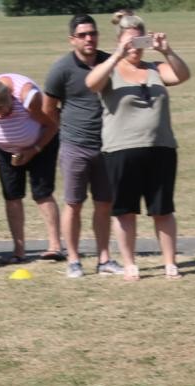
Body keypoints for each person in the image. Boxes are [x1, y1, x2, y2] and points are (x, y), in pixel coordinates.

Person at [86, 11, 191, 281]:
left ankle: (170, 262)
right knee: (125, 210)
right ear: (120, 42)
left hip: (161, 147)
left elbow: (182, 75)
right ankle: (130, 262)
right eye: (129, 42)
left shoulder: (155, 68)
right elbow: (91, 83)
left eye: (138, 41)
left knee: (163, 209)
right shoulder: (110, 70)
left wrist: (167, 51)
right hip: (121, 150)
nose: (134, 48)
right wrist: (116, 56)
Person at [43, 13, 122, 278]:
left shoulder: (109, 61)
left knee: (104, 204)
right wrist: (67, 129)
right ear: (72, 40)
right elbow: (48, 109)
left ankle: (104, 259)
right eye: (83, 35)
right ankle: (74, 260)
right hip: (75, 145)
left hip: (108, 144)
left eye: (93, 33)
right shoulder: (61, 69)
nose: (89, 39)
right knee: (73, 203)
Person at [0, 74, 64, 263]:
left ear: (10, 100)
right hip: (5, 150)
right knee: (12, 196)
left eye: (0, 111)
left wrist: (33, 150)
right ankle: (18, 251)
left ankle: (55, 247)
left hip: (41, 145)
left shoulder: (28, 97)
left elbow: (52, 127)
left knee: (42, 193)